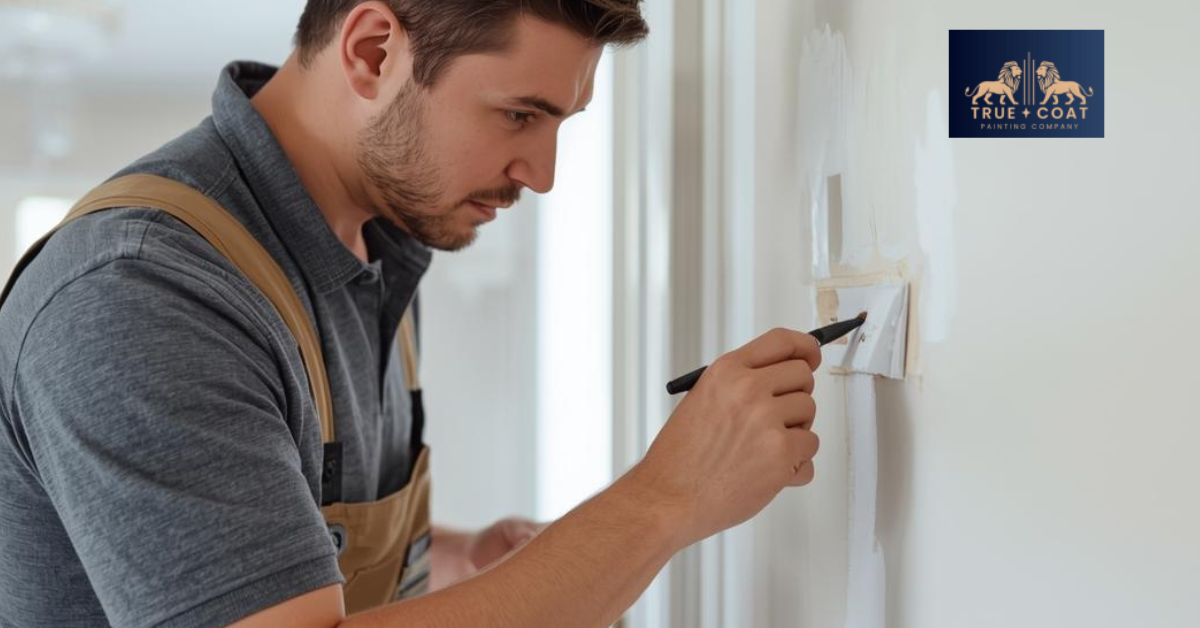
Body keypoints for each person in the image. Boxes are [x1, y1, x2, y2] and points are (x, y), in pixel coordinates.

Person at [0, 1, 823, 626]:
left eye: (560, 123)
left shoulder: (371, 240)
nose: (541, 174)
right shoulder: (143, 297)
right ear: (373, 52)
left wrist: (456, 559)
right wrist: (665, 499)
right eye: (519, 114)